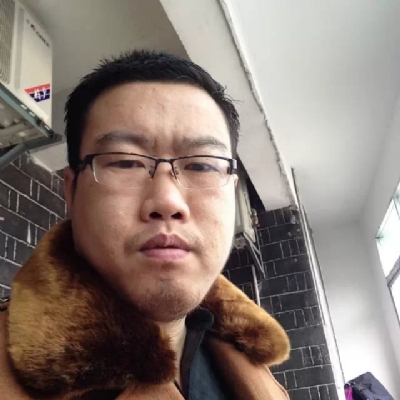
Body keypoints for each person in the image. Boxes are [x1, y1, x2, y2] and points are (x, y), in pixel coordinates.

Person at [0, 50, 290, 399]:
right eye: (125, 162)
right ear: (72, 192)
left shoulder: (253, 369)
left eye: (201, 165)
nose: (167, 201)